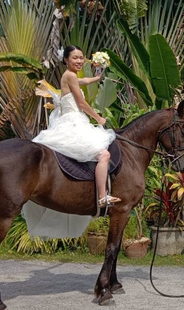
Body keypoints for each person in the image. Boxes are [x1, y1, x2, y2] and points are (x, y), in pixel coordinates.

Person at [32, 45, 120, 207]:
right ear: (66, 60)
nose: (79, 61)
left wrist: (97, 77)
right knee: (104, 155)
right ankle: (102, 196)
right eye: (75, 58)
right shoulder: (70, 76)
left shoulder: (70, 76)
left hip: (71, 119)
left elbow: (82, 81)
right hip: (73, 122)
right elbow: (81, 102)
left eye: (81, 57)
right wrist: (98, 118)